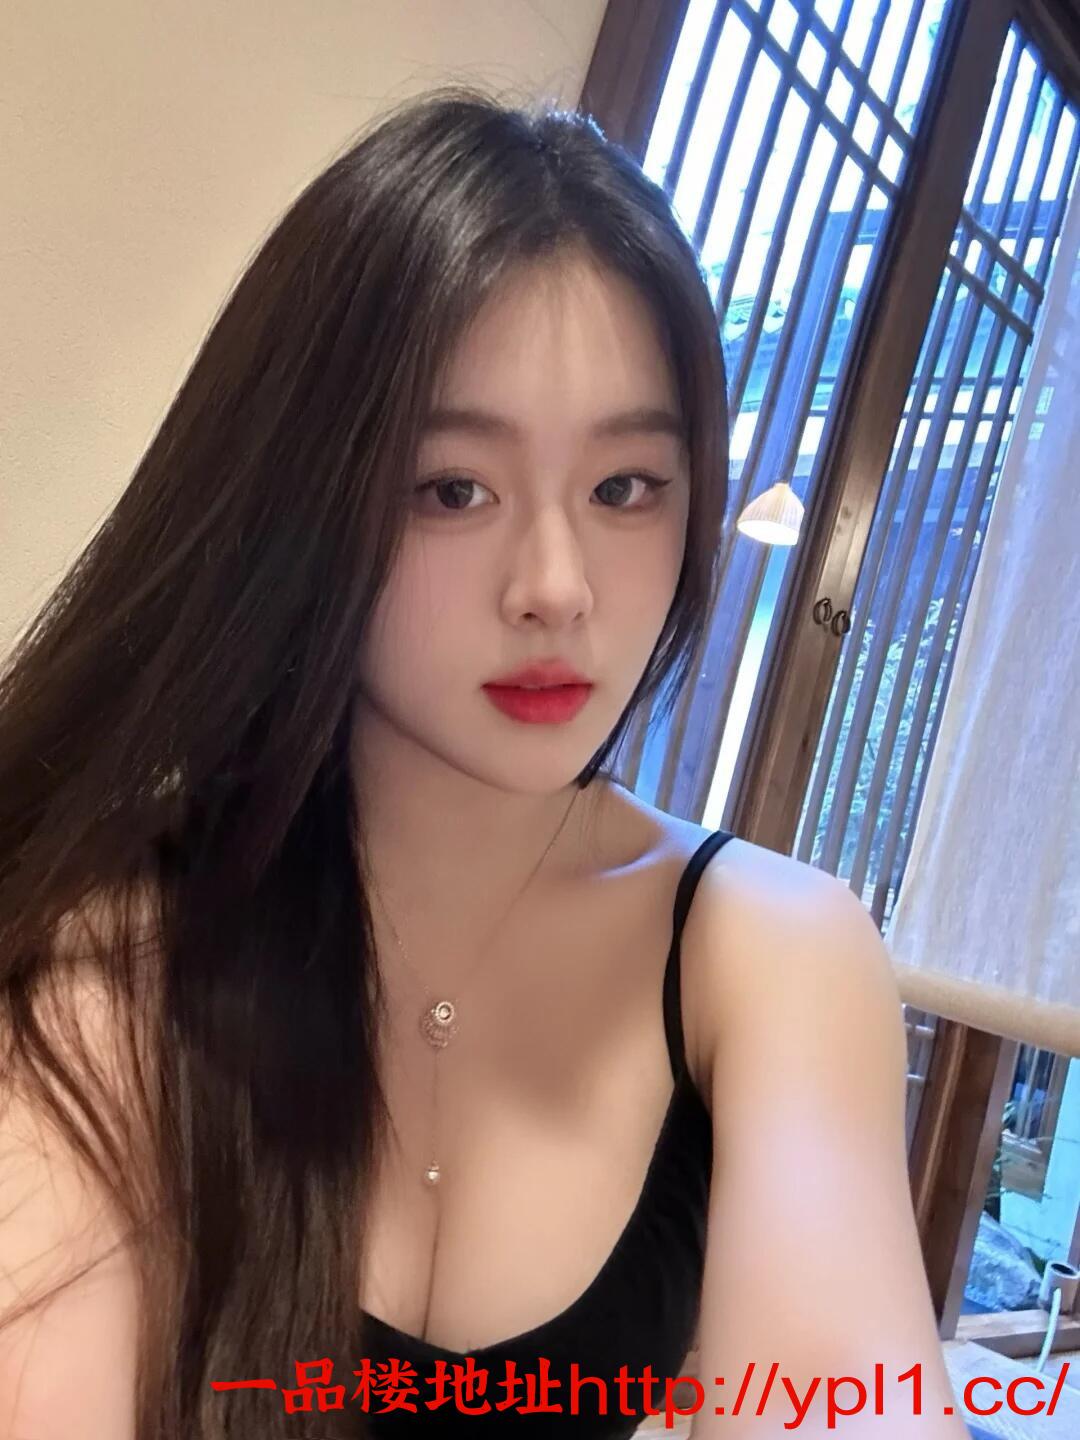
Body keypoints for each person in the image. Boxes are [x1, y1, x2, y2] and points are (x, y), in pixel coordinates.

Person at [0, 87, 970, 1439]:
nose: (556, 587)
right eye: (453, 488)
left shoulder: (768, 953)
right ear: (301, 499)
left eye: (626, 488)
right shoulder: (121, 935)